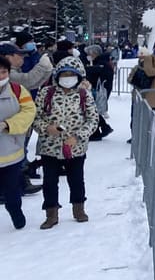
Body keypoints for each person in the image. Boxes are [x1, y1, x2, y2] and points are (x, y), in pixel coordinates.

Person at [34, 58, 99, 229]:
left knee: (76, 179)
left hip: (75, 147)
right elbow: (35, 117)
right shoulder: (45, 93)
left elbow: (93, 120)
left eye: (72, 74)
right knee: (49, 181)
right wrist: (47, 128)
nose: (68, 78)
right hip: (49, 147)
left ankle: (79, 208)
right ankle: (51, 213)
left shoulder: (84, 95)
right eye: (64, 74)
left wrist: (78, 137)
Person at [3, 42, 48, 195]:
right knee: (13, 156)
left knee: (19, 153)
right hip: (8, 125)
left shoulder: (14, 72)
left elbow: (33, 84)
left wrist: (46, 71)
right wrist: (43, 67)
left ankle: (21, 183)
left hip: (17, 123)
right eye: (18, 54)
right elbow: (28, 80)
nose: (22, 57)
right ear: (8, 57)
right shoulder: (9, 75)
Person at [0, 54, 36, 230]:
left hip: (11, 153)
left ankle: (15, 211)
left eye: (4, 72)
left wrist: (8, 125)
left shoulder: (18, 90)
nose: (1, 76)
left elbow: (29, 112)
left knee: (12, 191)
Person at [82, 45, 114, 141]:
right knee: (94, 110)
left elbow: (98, 75)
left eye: (89, 54)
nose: (88, 56)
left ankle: (97, 132)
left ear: (94, 53)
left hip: (99, 91)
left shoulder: (101, 64)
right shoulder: (99, 63)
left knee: (93, 111)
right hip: (98, 90)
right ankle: (104, 128)